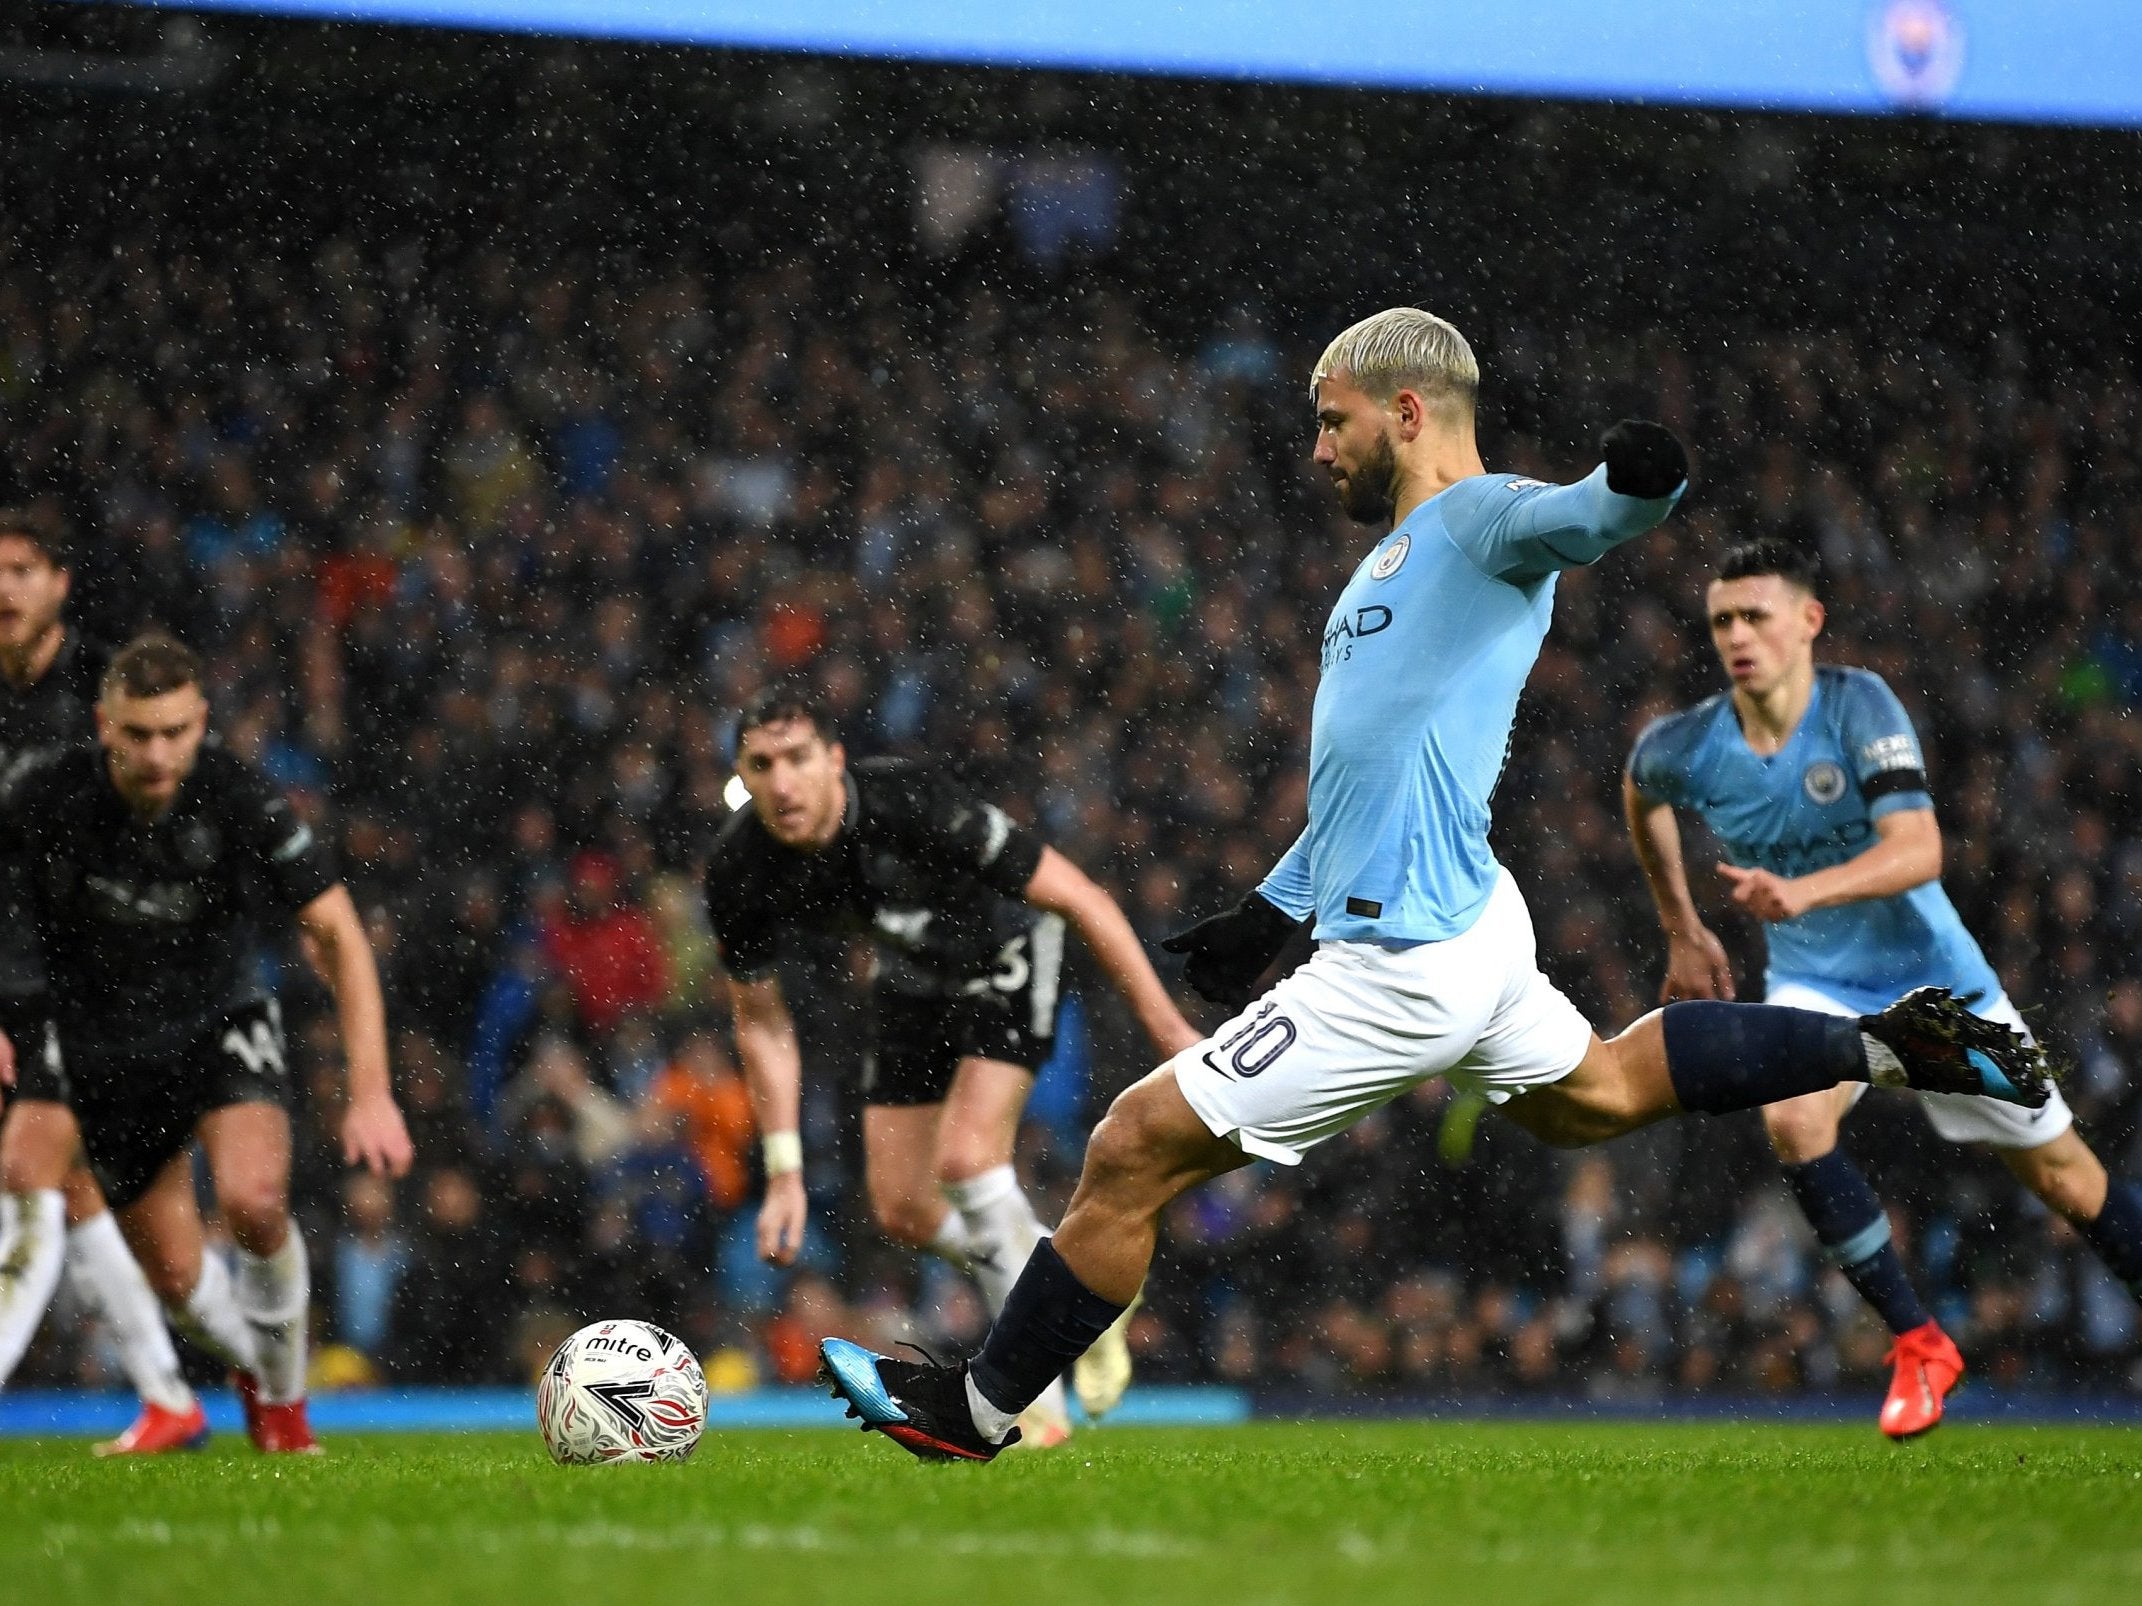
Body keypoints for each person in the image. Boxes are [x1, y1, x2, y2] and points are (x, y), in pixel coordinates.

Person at [814, 306, 2050, 1461]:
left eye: (1331, 419)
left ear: (1407, 412)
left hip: (1404, 964)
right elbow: (1372, 766)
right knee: (1603, 1093)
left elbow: (1591, 514)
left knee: (1131, 1145)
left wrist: (1643, 478)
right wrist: (1274, 907)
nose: (1316, 449)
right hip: (1464, 925)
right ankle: (1893, 1046)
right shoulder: (1391, 565)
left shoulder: (1479, 520)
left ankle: (977, 1410)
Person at [1622, 536, 2142, 1437]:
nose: (1738, 635)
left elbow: (1920, 850)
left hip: (1943, 992)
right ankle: (1920, 1343)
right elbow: (1641, 791)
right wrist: (1681, 924)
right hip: (1818, 987)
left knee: (2066, 1177)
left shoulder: (1859, 706)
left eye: (1756, 615)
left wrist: (1803, 891)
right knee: (1792, 1119)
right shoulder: (1688, 742)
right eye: (1722, 621)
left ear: (1808, 621)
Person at [705, 684, 1200, 1446]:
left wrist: (1168, 1028)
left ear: (835, 761)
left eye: (799, 758)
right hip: (912, 975)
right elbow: (762, 1024)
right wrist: (782, 1170)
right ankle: (1077, 1292)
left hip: (1006, 950)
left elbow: (1080, 895)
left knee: (969, 1163)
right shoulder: (741, 868)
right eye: (761, 763)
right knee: (901, 1205)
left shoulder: (913, 804)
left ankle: (1031, 1404)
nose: (782, 783)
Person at [0, 632, 413, 1452]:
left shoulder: (240, 794)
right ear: (104, 725)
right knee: (183, 1283)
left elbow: (337, 934)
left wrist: (372, 1091)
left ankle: (288, 1415)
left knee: (255, 1203)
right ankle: (253, 1372)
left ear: (202, 723)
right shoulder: (45, 795)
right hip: (105, 1049)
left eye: (177, 732)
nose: (159, 754)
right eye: (140, 734)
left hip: (220, 1022)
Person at [0, 508, 204, 1455]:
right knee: (71, 1188)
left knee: (30, 1168)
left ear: (59, 582)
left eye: (22, 568)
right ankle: (169, 1395)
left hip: (73, 977)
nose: (4, 587)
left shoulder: (102, 696)